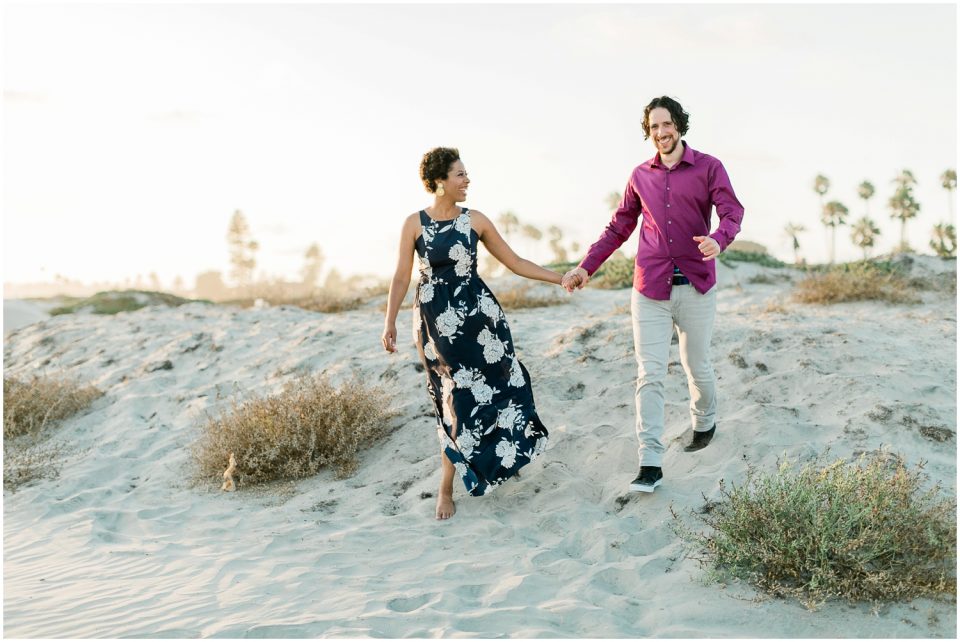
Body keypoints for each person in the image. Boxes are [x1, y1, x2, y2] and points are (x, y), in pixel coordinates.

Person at [562, 96, 744, 493]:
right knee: (650, 373)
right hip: (650, 289)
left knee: (697, 364)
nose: (661, 133)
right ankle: (650, 462)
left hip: (696, 285)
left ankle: (704, 421)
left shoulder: (709, 167)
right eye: (653, 127)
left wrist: (718, 239)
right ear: (648, 132)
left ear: (679, 125)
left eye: (667, 124)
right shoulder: (639, 176)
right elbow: (618, 228)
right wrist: (585, 267)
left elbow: (732, 212)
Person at [382, 147, 562, 520]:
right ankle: (446, 487)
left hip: (481, 321)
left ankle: (498, 459)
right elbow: (401, 276)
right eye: (460, 174)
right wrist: (390, 321)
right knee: (456, 399)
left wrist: (561, 278)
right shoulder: (414, 224)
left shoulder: (475, 220)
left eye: (466, 174)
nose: (467, 180)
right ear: (440, 182)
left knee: (502, 386)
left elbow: (515, 262)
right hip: (436, 325)